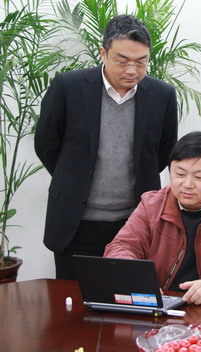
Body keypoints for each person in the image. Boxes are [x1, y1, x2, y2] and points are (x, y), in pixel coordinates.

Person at [35, 14, 178, 280]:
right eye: (122, 61)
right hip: (77, 224)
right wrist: (74, 178)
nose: (132, 70)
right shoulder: (69, 86)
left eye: (141, 62)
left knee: (129, 298)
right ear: (103, 53)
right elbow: (47, 144)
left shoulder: (162, 95)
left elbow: (163, 152)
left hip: (134, 223)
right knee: (74, 299)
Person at [105, 131, 201, 304]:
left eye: (199, 177)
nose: (187, 184)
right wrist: (136, 278)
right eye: (180, 174)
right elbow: (122, 246)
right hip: (160, 302)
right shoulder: (152, 204)